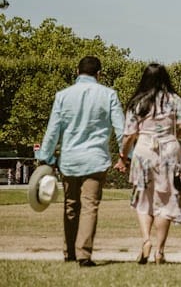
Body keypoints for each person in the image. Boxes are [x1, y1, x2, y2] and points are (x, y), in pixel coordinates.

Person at [36, 55, 126, 266]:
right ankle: (84, 254)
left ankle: (69, 252)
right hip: (96, 158)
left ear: (77, 72)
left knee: (70, 205)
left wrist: (45, 158)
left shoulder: (63, 96)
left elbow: (53, 131)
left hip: (70, 159)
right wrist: (125, 155)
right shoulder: (109, 95)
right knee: (89, 206)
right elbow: (121, 129)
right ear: (99, 74)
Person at [120, 63, 181, 264]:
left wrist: (122, 157)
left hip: (144, 150)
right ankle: (160, 250)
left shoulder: (137, 102)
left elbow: (128, 135)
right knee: (166, 200)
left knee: (144, 199)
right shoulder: (174, 100)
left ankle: (145, 240)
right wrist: (176, 134)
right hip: (169, 150)